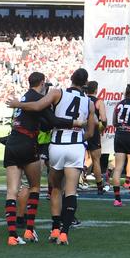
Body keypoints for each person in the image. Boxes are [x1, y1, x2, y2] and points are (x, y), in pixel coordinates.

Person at [8, 68, 95, 245]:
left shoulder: (57, 92)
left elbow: (39, 106)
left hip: (57, 144)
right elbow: (91, 132)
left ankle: (54, 229)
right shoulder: (90, 103)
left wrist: (19, 104)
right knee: (71, 190)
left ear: (71, 79)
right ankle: (64, 234)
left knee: (55, 188)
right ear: (85, 83)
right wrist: (77, 137)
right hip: (76, 145)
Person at [2, 71, 47, 245]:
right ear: (42, 83)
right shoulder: (38, 98)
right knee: (34, 186)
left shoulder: (23, 96)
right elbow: (47, 120)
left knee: (11, 191)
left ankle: (12, 235)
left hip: (12, 143)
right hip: (28, 143)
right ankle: (29, 230)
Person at [83, 80, 107, 196]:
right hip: (94, 132)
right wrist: (102, 129)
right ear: (96, 89)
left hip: (82, 130)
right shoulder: (98, 102)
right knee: (96, 160)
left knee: (80, 159)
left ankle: (76, 182)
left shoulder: (82, 100)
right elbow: (104, 119)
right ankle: (99, 186)